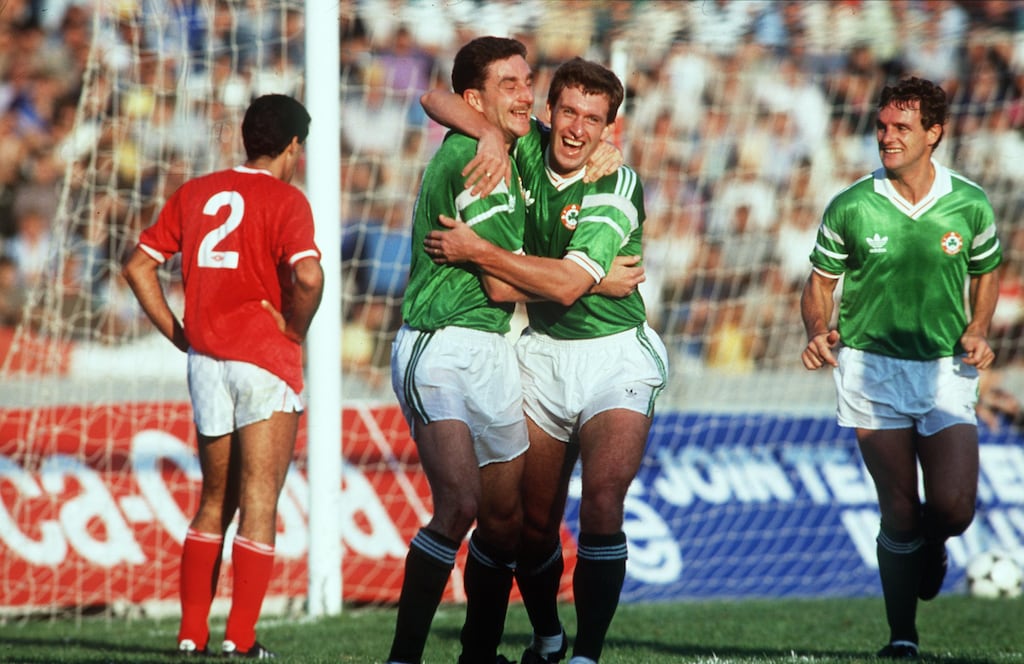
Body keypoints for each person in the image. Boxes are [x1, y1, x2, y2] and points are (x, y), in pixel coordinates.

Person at [421, 56, 669, 664]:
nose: (578, 129)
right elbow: (432, 96)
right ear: (548, 111)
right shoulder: (521, 145)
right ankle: (548, 637)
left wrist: (483, 252)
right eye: (569, 112)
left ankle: (586, 653)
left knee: (605, 497)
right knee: (529, 529)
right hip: (540, 356)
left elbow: (556, 288)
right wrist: (484, 131)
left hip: (615, 358)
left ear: (610, 128)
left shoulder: (615, 182)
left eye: (594, 119)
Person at [800, 76, 1001, 660]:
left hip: (944, 369)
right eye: (882, 126)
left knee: (954, 507)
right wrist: (818, 330)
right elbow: (818, 286)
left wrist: (979, 327)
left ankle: (933, 547)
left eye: (901, 128)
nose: (887, 137)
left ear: (934, 133)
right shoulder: (852, 204)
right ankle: (902, 637)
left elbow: (988, 269)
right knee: (899, 508)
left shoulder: (969, 203)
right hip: (870, 370)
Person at [122, 94, 324, 659]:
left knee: (215, 497)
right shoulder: (287, 199)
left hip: (205, 361)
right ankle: (240, 640)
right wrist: (296, 329)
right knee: (260, 498)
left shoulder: (196, 192)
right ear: (292, 147)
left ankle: (191, 634)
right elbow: (308, 278)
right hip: (263, 360)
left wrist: (177, 333)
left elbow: (137, 266)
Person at [385, 36, 534, 664]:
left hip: (494, 347)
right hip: (440, 344)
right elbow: (501, 281)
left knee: (504, 521)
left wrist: (605, 143)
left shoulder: (508, 140)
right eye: (510, 84)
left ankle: (478, 655)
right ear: (478, 100)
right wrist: (586, 279)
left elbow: (435, 96)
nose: (527, 94)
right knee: (462, 506)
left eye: (529, 81)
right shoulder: (479, 156)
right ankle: (404, 658)